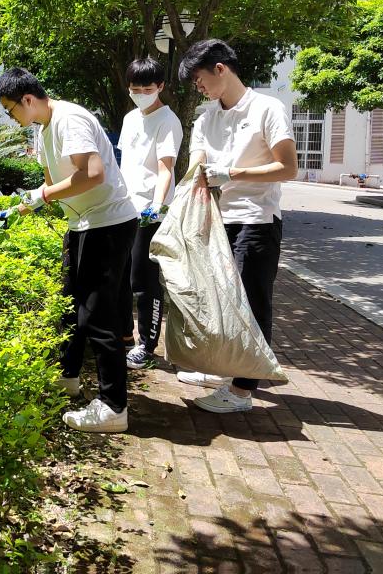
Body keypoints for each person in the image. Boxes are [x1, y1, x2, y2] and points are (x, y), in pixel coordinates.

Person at [0, 68, 137, 433]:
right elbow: (51, 184)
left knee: (98, 317)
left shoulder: (69, 119)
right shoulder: (42, 130)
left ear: (28, 99)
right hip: (82, 225)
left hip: (108, 223)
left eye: (11, 110)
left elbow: (93, 174)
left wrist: (42, 196)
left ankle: (113, 407)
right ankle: (68, 378)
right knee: (70, 307)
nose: (12, 119)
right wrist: (22, 207)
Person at [175, 39, 297, 413]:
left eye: (199, 80)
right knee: (217, 299)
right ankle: (223, 369)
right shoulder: (206, 117)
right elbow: (197, 162)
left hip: (256, 220)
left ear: (221, 69)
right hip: (216, 220)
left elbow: (288, 167)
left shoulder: (267, 109)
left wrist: (230, 172)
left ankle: (243, 390)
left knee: (250, 301)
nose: (199, 88)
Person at [118, 57, 183, 370]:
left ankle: (147, 344)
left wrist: (156, 204)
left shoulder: (167, 121)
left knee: (143, 281)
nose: (140, 93)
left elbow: (165, 168)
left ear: (161, 87)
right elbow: (125, 164)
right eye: (135, 88)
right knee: (120, 277)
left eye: (147, 88)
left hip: (149, 213)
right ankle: (124, 336)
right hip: (123, 209)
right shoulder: (131, 118)